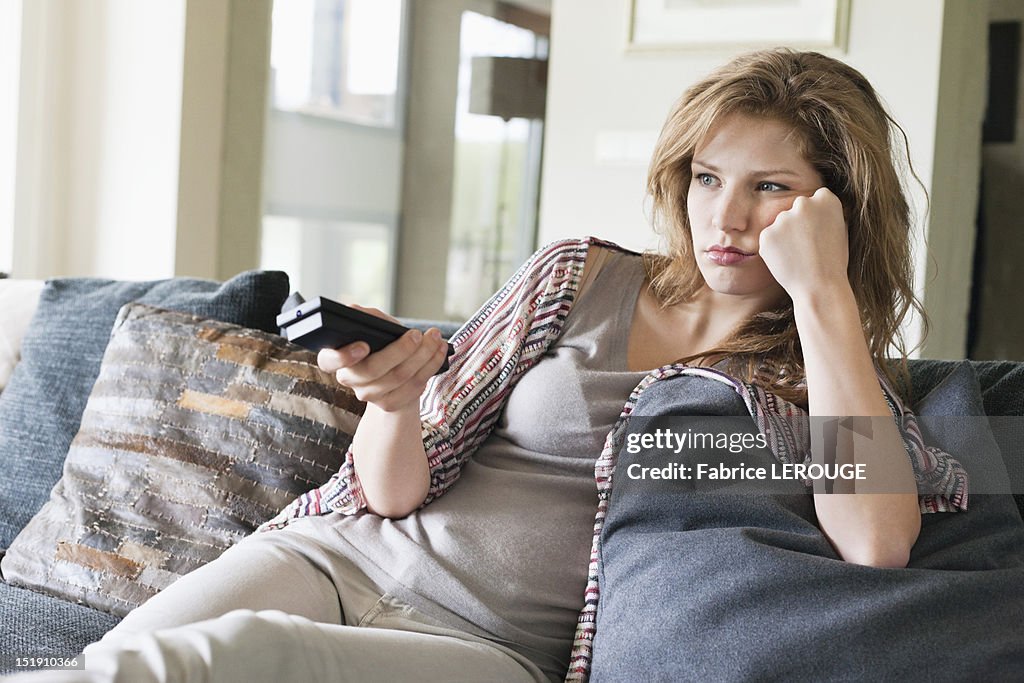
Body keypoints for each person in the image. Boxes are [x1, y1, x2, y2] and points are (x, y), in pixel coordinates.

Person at [6, 48, 966, 683]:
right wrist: (395, 397)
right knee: (123, 661)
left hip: (490, 646)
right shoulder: (577, 276)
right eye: (709, 179)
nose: (726, 218)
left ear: (833, 207)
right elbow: (387, 494)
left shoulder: (823, 373)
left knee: (228, 657)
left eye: (771, 188)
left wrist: (825, 298)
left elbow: (876, 543)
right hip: (340, 554)